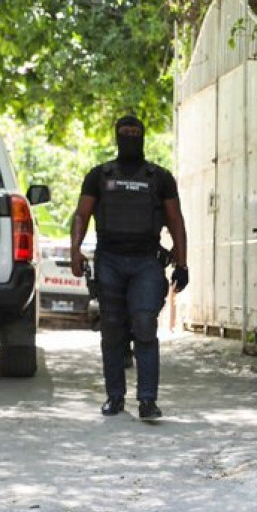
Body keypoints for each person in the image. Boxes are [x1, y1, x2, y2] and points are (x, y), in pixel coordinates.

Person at [71, 114, 188, 420]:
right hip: (109, 259)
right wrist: (75, 251)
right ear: (116, 136)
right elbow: (81, 215)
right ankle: (115, 397)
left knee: (145, 325)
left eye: (136, 132)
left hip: (147, 261)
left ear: (144, 136)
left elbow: (175, 219)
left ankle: (147, 400)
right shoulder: (98, 175)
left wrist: (182, 261)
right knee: (112, 329)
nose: (130, 137)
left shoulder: (159, 177)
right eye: (125, 132)